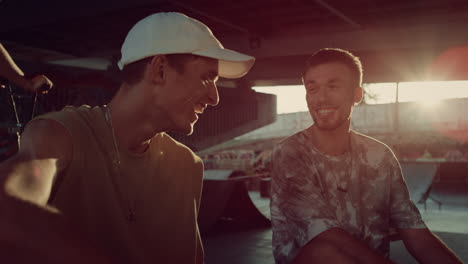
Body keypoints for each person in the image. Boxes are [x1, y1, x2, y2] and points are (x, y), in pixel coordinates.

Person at [0, 12, 255, 263]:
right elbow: (7, 207)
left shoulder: (188, 165)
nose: (215, 97)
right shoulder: (60, 135)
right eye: (207, 78)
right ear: (160, 69)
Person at [270, 48, 462, 264]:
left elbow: (416, 234)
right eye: (312, 89)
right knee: (323, 252)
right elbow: (327, 239)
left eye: (333, 86)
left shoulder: (379, 156)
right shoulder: (290, 153)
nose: (321, 98)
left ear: (357, 94)